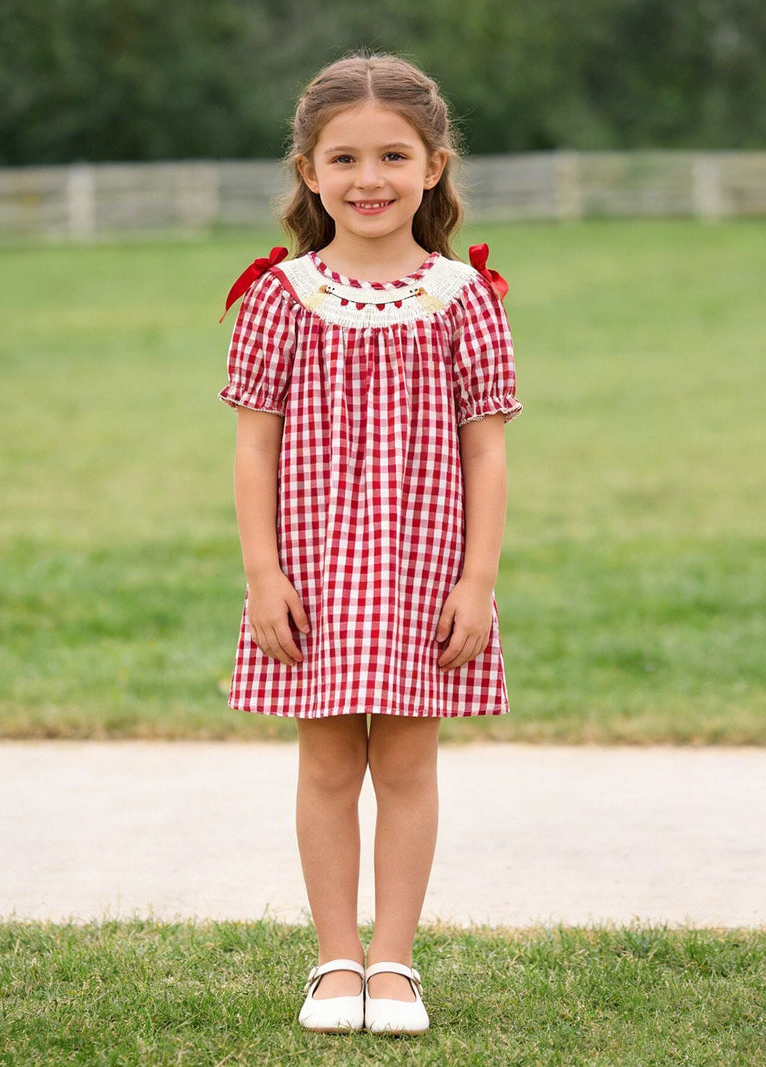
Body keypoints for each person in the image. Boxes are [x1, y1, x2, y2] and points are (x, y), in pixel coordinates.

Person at [218, 52, 522, 1036]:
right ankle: (331, 960)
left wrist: (477, 580)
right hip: (310, 574)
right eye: (342, 157)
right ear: (308, 172)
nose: (369, 178)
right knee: (322, 767)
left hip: (423, 574)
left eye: (393, 155)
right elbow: (252, 443)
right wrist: (261, 573)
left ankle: (391, 961)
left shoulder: (462, 299)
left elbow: (488, 452)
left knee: (404, 764)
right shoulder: (278, 296)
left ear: (432, 166)